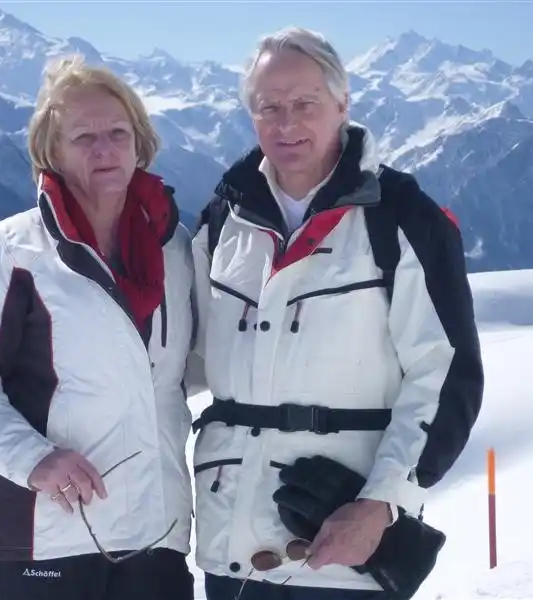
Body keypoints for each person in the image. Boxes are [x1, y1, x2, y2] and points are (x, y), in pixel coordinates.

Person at [188, 27, 484, 600]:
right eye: (269, 107)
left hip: (343, 548)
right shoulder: (224, 219)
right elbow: (180, 359)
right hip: (231, 551)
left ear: (342, 103)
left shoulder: (401, 218)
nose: (286, 123)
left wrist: (381, 505)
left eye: (305, 103)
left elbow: (445, 377)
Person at [0, 54, 196, 600]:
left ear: (140, 144)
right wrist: (35, 460)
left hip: (154, 535)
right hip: (42, 536)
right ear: (52, 151)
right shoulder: (11, 252)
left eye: (117, 133)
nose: (104, 149)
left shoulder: (176, 249)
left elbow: (191, 368)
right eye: (83, 137)